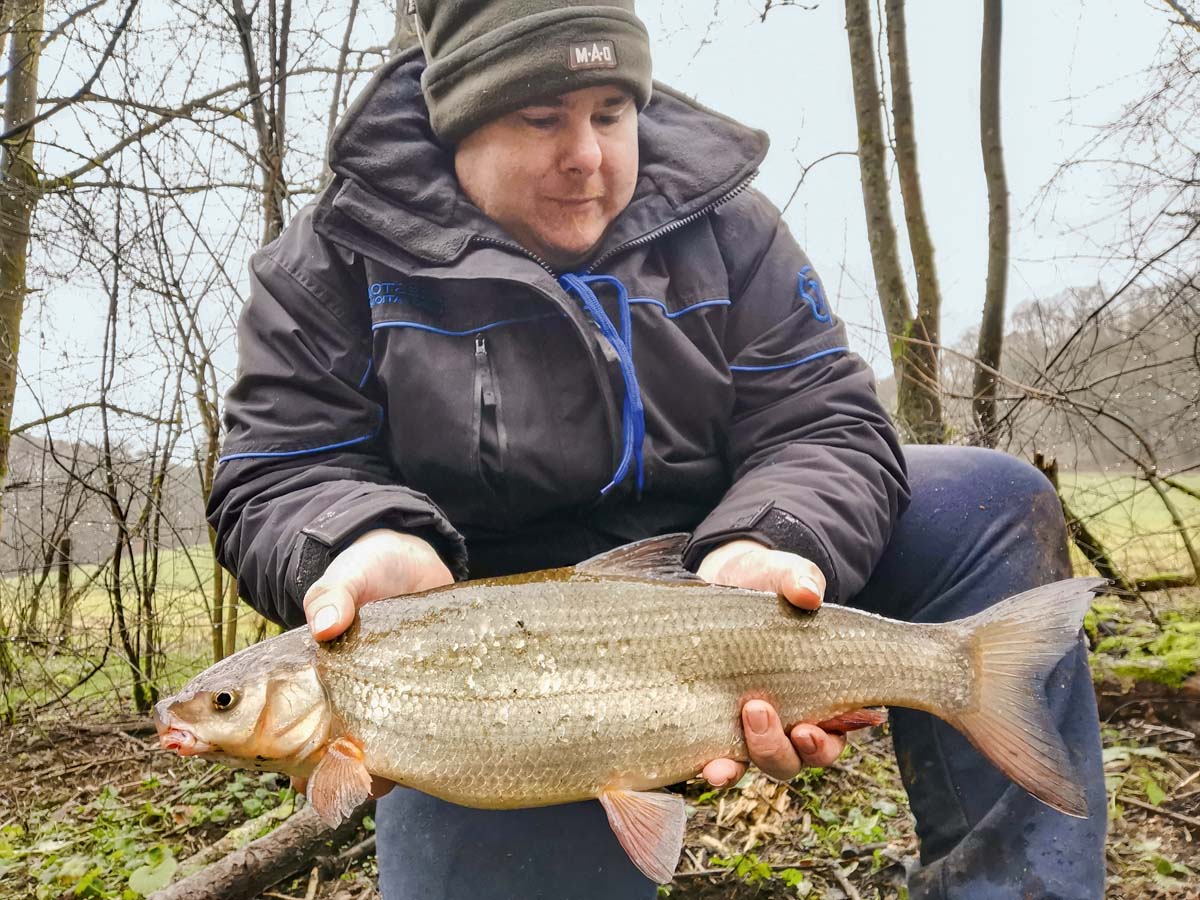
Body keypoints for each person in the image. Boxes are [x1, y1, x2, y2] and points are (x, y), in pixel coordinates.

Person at [207, 2, 1106, 897]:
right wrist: (363, 542)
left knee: (986, 501)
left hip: (715, 572)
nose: (589, 155)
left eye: (611, 113)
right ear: (456, 123)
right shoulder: (325, 263)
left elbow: (823, 417)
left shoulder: (724, 221)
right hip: (477, 633)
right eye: (542, 117)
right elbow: (278, 471)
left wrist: (778, 542)